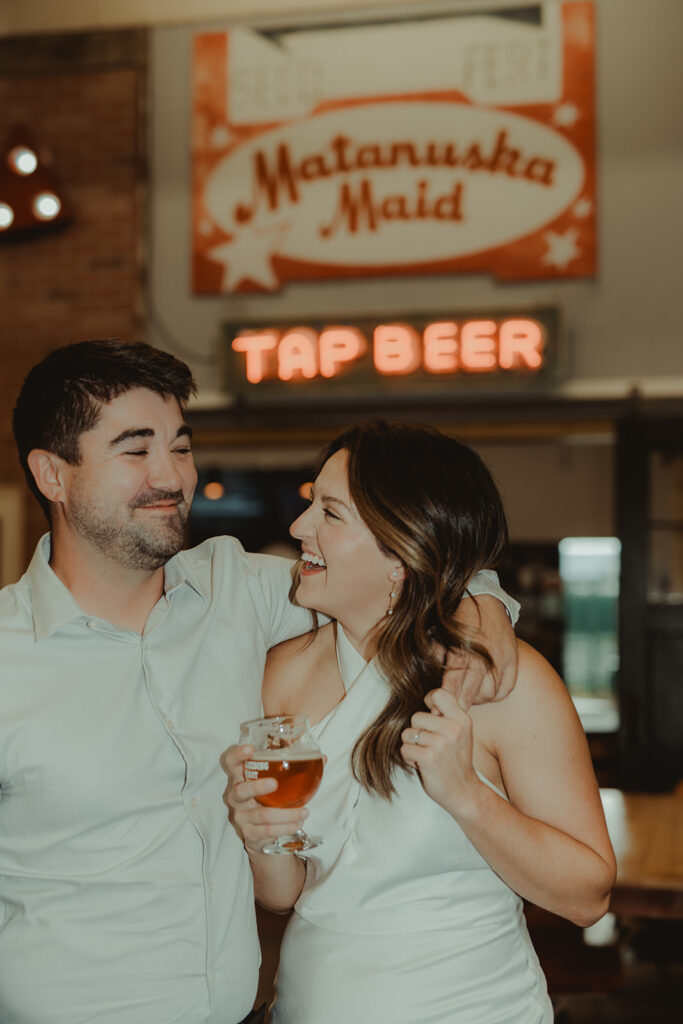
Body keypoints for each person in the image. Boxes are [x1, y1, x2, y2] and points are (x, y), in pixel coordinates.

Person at [1, 341, 519, 1024]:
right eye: (135, 450)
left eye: (180, 447)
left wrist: (480, 605)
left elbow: (396, 570)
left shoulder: (240, 591)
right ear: (52, 474)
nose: (172, 476)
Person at [223, 420, 617, 1024]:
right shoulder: (280, 675)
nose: (299, 528)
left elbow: (588, 896)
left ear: (400, 552)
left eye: (330, 514)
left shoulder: (498, 683)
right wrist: (258, 830)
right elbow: (285, 894)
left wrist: (467, 797)